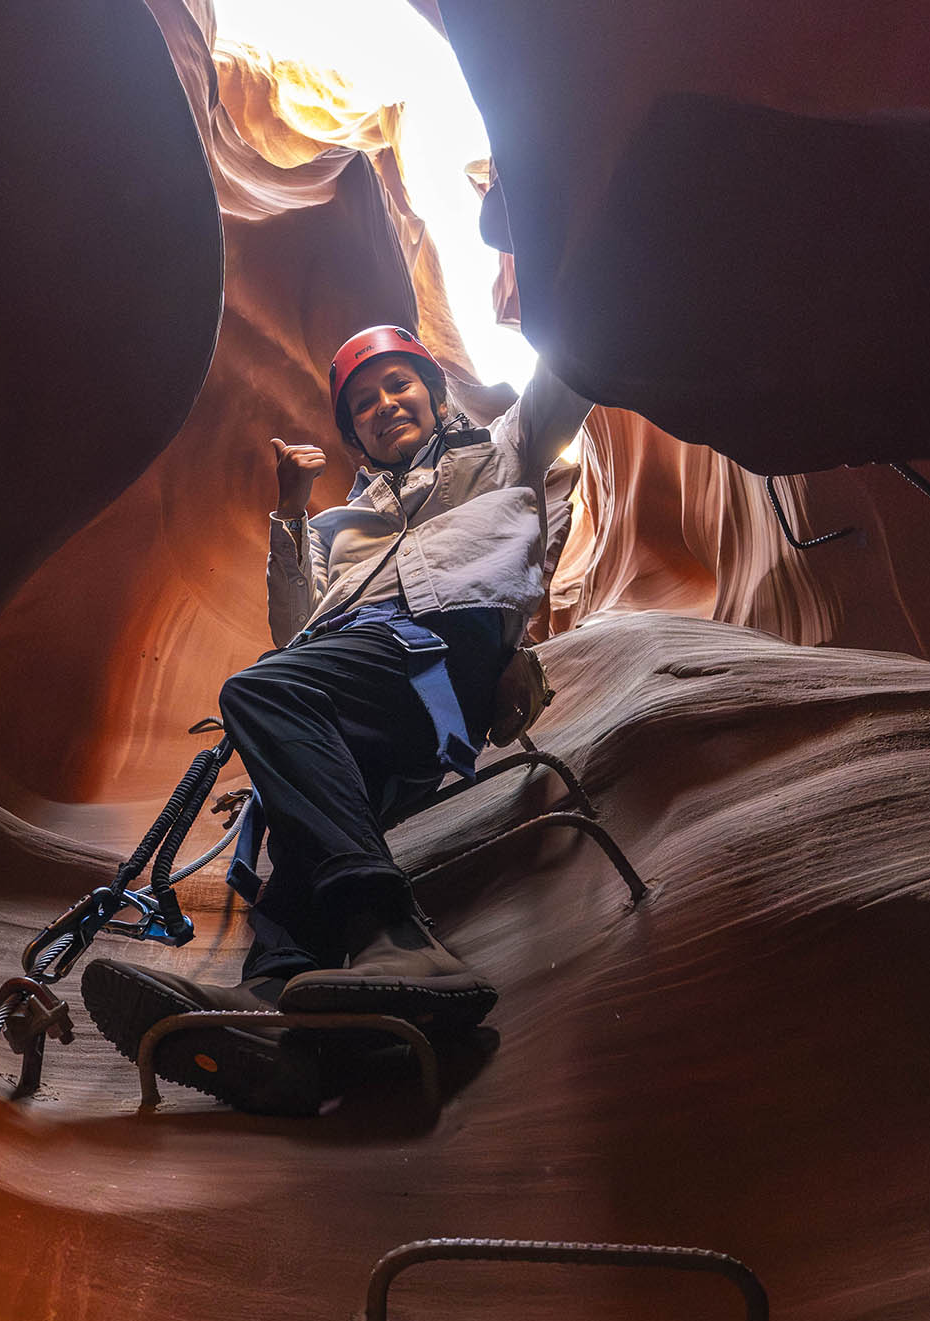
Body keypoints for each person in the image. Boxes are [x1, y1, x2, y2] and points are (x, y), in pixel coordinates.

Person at [81, 325, 592, 1112]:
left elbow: (571, 372)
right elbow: (293, 628)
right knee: (300, 834)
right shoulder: (336, 527)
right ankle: (277, 1011)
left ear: (432, 391)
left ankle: (399, 937)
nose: (385, 405)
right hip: (358, 685)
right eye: (364, 403)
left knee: (261, 692)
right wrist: (291, 512)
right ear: (352, 431)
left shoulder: (502, 449)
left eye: (398, 386)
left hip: (443, 651)